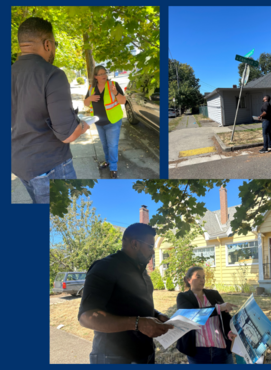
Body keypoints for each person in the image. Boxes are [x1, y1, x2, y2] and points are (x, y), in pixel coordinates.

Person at [11, 17, 90, 204]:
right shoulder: (53, 74)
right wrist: (83, 126)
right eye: (54, 44)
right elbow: (68, 135)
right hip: (50, 166)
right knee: (63, 220)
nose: (54, 49)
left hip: (19, 163)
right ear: (47, 44)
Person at [78, 223, 174, 364]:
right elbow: (86, 317)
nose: (153, 252)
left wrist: (157, 315)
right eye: (150, 246)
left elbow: (137, 304)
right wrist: (138, 323)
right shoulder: (105, 267)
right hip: (113, 357)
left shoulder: (142, 271)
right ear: (135, 244)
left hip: (146, 353)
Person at [176, 266, 238, 364]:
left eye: (203, 277)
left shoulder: (214, 294)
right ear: (188, 280)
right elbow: (191, 316)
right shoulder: (183, 297)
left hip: (221, 348)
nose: (202, 280)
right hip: (198, 351)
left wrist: (229, 331)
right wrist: (218, 308)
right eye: (198, 277)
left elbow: (225, 317)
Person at [84, 66, 126, 179]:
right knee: (105, 144)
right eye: (101, 74)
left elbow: (123, 101)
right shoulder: (91, 88)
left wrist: (116, 93)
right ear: (95, 76)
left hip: (113, 121)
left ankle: (113, 168)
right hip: (99, 123)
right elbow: (86, 103)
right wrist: (89, 98)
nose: (104, 75)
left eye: (105, 73)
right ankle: (107, 161)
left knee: (112, 145)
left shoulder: (113, 84)